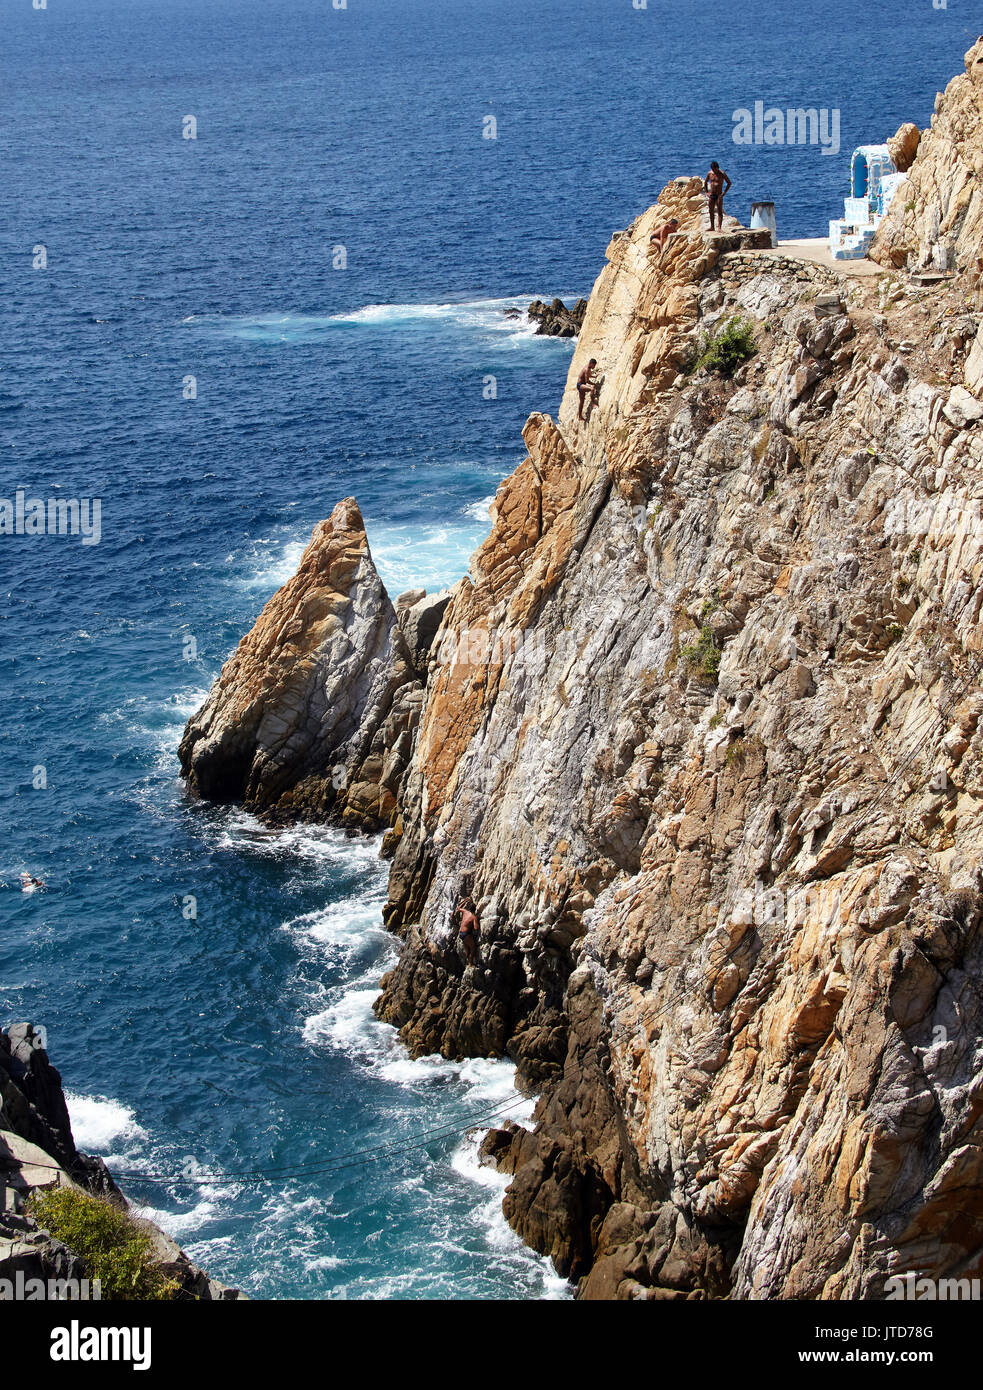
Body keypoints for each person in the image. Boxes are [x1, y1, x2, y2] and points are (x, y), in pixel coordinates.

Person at [704, 162, 731, 231]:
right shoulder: (710, 173)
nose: (713, 171)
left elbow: (729, 183)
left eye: (714, 169)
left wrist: (724, 192)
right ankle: (712, 227)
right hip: (712, 194)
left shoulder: (722, 174)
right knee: (711, 211)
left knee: (719, 210)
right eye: (712, 169)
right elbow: (705, 182)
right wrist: (707, 192)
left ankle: (719, 227)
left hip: (719, 194)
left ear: (717, 168)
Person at [455, 895, 480, 965]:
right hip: (466, 934)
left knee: (467, 948)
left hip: (460, 933)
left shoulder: (465, 912)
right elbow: (476, 928)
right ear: (474, 910)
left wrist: (465, 901)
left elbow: (458, 908)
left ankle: (467, 959)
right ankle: (470, 963)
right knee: (473, 948)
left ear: (469, 908)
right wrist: (477, 920)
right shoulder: (473, 917)